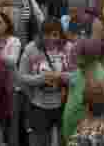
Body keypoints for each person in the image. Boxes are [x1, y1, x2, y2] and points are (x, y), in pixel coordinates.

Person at [18, 18, 73, 146]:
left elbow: (77, 75)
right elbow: (21, 77)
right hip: (39, 106)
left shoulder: (69, 48)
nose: (50, 39)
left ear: (60, 34)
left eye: (55, 35)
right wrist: (40, 79)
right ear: (40, 34)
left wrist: (60, 76)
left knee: (65, 140)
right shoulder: (31, 49)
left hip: (64, 104)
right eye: (46, 34)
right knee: (40, 141)